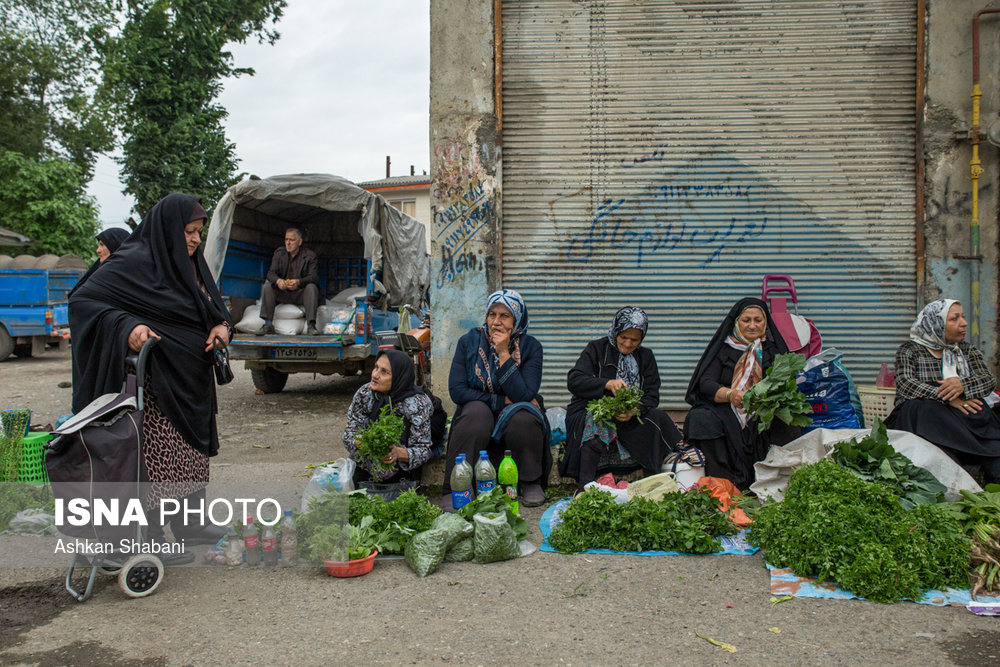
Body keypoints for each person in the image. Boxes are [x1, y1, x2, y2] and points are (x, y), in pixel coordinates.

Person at [69, 193, 233, 557]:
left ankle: (190, 524)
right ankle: (152, 535)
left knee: (188, 456)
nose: (194, 240)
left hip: (191, 379)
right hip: (157, 384)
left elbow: (214, 309)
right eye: (188, 232)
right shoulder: (135, 261)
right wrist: (126, 326)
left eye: (198, 233)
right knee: (156, 462)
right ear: (168, 229)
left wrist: (222, 327)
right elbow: (83, 302)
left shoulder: (190, 266)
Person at [561, 306, 694, 493]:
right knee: (597, 421)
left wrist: (634, 410)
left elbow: (652, 395)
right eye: (624, 337)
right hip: (590, 410)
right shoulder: (596, 349)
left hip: (630, 415)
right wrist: (606, 384)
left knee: (657, 418)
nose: (628, 343)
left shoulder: (645, 357)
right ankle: (585, 486)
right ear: (616, 331)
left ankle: (653, 482)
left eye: (635, 339)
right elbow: (574, 380)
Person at [441, 289, 550, 508]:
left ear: (517, 320)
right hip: (479, 409)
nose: (496, 322)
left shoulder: (531, 347)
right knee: (475, 413)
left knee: (523, 416)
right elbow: (458, 391)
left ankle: (529, 481)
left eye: (504, 316)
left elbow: (523, 395)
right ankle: (457, 487)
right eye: (492, 314)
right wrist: (500, 401)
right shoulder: (468, 342)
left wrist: (503, 353)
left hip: (514, 412)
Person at [684, 297, 802, 490]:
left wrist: (767, 400)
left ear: (766, 322)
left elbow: (787, 386)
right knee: (700, 418)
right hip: (726, 411)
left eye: (758, 320)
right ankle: (723, 483)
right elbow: (705, 384)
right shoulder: (723, 349)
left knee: (788, 420)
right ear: (736, 321)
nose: (752, 326)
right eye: (746, 320)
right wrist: (731, 394)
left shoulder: (774, 352)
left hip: (763, 414)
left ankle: (774, 484)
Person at [885, 299, 1000, 484]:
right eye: (954, 319)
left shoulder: (967, 351)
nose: (963, 323)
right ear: (935, 324)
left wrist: (962, 385)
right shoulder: (910, 350)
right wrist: (946, 397)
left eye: (962, 317)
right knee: (919, 408)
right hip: (926, 420)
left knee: (983, 412)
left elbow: (987, 380)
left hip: (962, 419)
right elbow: (906, 384)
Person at [343, 349, 436, 485]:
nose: (375, 375)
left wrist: (398, 453)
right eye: (376, 368)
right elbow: (348, 435)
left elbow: (423, 450)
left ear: (399, 376)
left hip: (403, 477)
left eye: (384, 372)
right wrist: (363, 443)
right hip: (365, 474)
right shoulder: (365, 394)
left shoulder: (417, 403)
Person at [256, 227, 321, 335]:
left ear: (299, 242)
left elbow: (314, 277)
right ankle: (267, 324)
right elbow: (270, 274)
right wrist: (278, 281)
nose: (288, 243)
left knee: (311, 287)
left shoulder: (310, 256)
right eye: (286, 240)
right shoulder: (279, 253)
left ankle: (311, 325)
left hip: (300, 293)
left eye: (292, 240)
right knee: (267, 286)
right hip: (283, 293)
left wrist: (299, 282)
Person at [68, 228, 131, 297]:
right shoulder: (98, 273)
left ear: (114, 246)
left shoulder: (131, 278)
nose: (98, 250)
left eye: (102, 245)